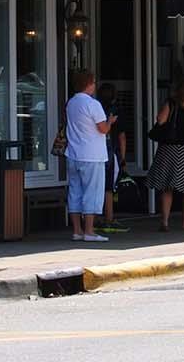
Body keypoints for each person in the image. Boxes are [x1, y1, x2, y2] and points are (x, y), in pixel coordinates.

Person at [146, 76, 184, 233]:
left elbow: (160, 120)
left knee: (167, 186)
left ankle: (164, 221)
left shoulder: (172, 103)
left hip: (170, 148)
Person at [64, 70, 117, 243]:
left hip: (73, 153)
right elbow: (103, 129)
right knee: (91, 193)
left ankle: (77, 230)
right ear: (88, 84)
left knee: (75, 191)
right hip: (92, 155)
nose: (95, 85)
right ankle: (89, 231)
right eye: (93, 82)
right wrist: (110, 122)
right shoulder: (93, 104)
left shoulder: (71, 102)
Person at [96, 83, 129, 234]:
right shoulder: (115, 111)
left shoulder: (95, 109)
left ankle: (94, 218)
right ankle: (109, 218)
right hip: (110, 151)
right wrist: (123, 158)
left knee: (95, 185)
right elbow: (121, 136)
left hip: (93, 152)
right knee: (109, 187)